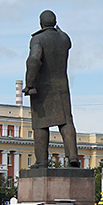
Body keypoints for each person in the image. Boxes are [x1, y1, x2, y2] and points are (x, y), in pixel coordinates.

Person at [24, 10, 80, 168]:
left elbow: (33, 60)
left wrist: (29, 84)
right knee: (66, 121)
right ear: (55, 23)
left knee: (41, 124)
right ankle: (73, 156)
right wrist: (58, 29)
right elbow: (66, 40)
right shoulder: (64, 38)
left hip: (43, 87)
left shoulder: (38, 39)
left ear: (40, 23)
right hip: (62, 86)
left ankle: (42, 161)